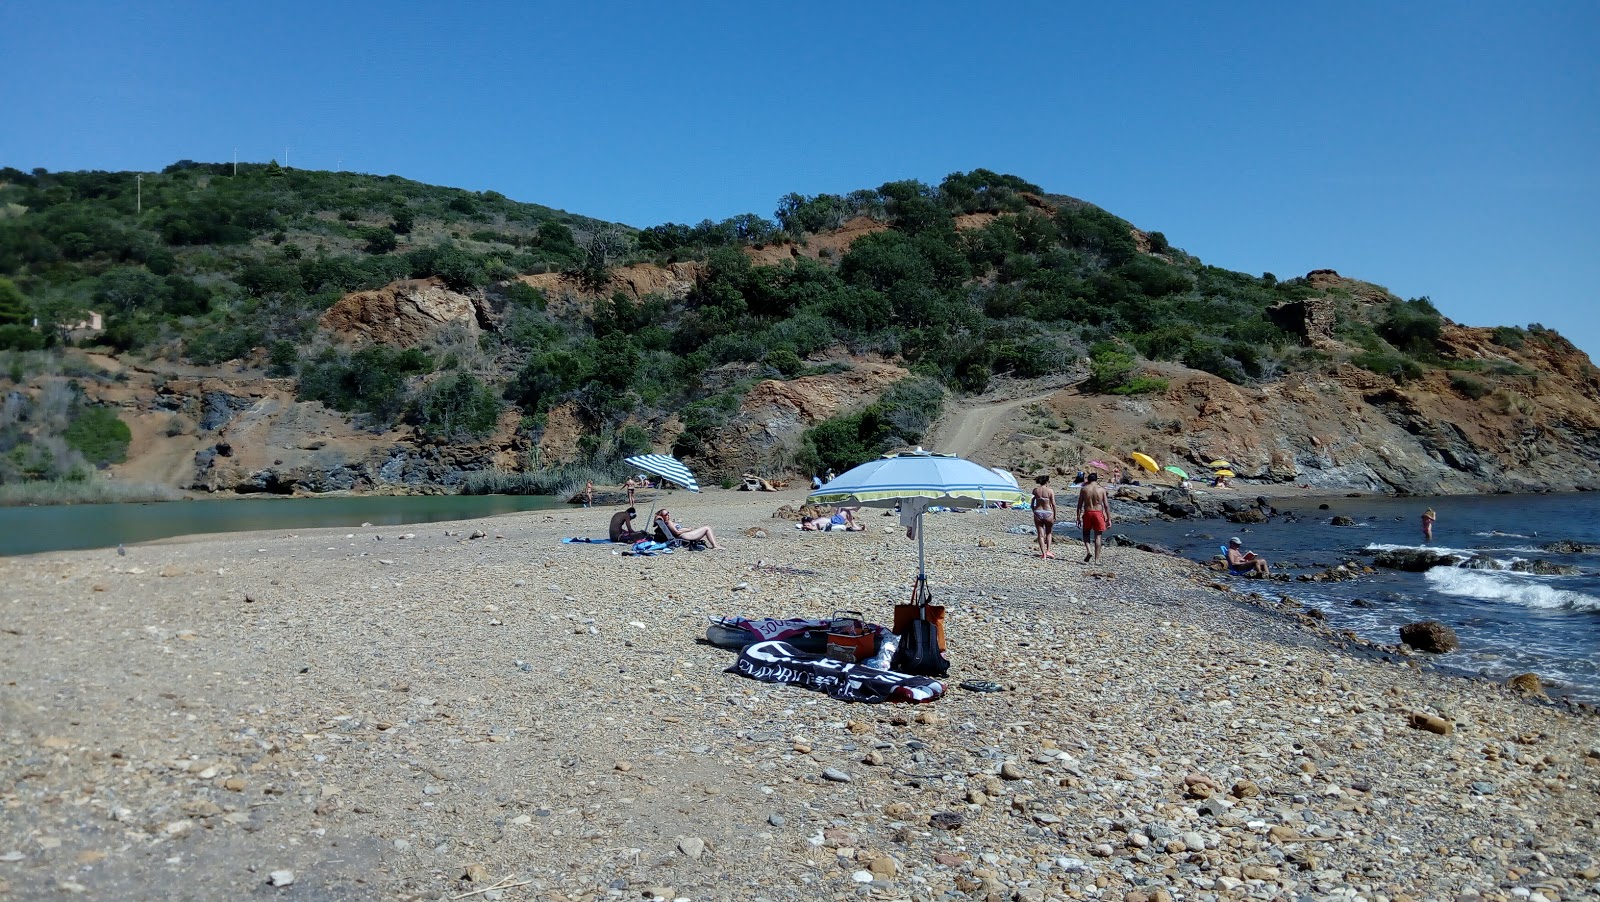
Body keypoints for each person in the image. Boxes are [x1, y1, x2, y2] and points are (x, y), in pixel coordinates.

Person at [1075, 472, 1111, 563]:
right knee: (1098, 536)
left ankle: (1089, 551)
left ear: (1088, 480)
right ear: (1096, 479)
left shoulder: (1084, 489)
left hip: (1088, 512)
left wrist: (1078, 518)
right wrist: (1109, 519)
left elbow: (1079, 505)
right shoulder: (1102, 490)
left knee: (1086, 534)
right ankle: (1097, 560)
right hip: (1098, 513)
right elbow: (1106, 506)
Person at [653, 508, 721, 549]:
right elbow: (676, 532)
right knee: (707, 528)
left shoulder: (667, 522)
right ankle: (715, 546)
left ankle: (715, 545)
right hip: (684, 536)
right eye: (665, 515)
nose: (668, 515)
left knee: (705, 528)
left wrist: (688, 529)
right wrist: (688, 530)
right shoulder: (668, 522)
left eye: (668, 513)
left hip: (684, 535)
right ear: (662, 516)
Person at [1030, 474, 1057, 559]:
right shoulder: (1050, 491)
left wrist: (1034, 510)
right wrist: (1055, 515)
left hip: (1038, 512)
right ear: (1047, 482)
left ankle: (1044, 554)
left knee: (1040, 535)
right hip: (1048, 512)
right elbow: (1053, 504)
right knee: (1049, 533)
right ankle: (1048, 550)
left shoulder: (1036, 491)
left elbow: (1032, 503)